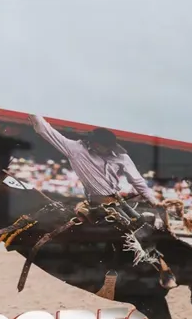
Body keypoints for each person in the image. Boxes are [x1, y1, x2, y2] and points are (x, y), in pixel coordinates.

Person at [29, 114, 176, 289]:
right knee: (122, 234)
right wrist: (33, 113)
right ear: (94, 143)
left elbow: (138, 181)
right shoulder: (74, 149)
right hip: (96, 204)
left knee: (143, 228)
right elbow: (45, 130)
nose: (107, 150)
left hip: (116, 200)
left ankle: (162, 267)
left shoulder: (121, 156)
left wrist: (153, 201)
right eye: (104, 146)